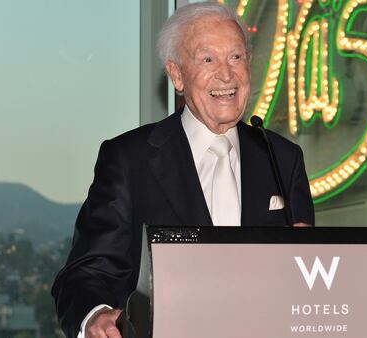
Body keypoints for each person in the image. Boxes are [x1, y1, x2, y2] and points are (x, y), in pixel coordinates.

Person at [51, 2, 314, 338]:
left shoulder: (283, 158)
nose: (226, 74)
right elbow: (86, 272)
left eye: (236, 57)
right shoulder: (129, 159)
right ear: (176, 75)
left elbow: (305, 282)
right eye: (208, 59)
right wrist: (96, 316)